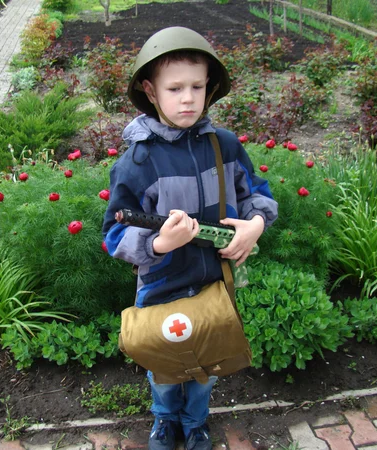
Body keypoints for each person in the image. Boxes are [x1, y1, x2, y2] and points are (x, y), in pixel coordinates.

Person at [102, 26, 278, 450]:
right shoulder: (137, 163)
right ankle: (165, 420)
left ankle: (195, 420)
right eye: (175, 87)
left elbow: (256, 195)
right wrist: (159, 244)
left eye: (197, 86)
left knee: (207, 362)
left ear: (209, 88)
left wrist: (255, 225)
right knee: (164, 364)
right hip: (161, 286)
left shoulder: (226, 146)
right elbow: (113, 234)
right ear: (150, 90)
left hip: (214, 280)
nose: (187, 98)